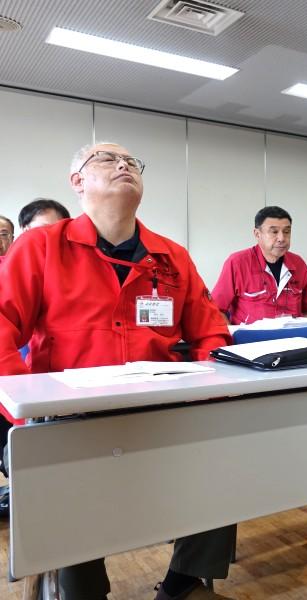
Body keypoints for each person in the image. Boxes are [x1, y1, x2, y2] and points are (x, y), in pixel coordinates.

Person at [0, 142, 236, 600]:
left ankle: (184, 583)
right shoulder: (41, 247)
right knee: (64, 478)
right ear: (77, 181)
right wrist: (24, 409)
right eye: (107, 159)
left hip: (159, 410)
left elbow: (212, 334)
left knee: (225, 452)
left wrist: (207, 397)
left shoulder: (171, 257)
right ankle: (83, 591)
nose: (123, 164)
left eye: (132, 161)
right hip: (68, 417)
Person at [0, 198, 72, 519]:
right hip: (16, 389)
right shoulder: (16, 272)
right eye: (37, 231)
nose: (45, 238)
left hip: (47, 390)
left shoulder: (67, 273)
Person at [211, 206, 307, 324]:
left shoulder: (299, 264)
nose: (281, 238)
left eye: (286, 232)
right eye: (274, 232)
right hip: (251, 336)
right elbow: (216, 310)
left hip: (293, 334)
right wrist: (232, 333)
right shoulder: (237, 263)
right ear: (257, 234)